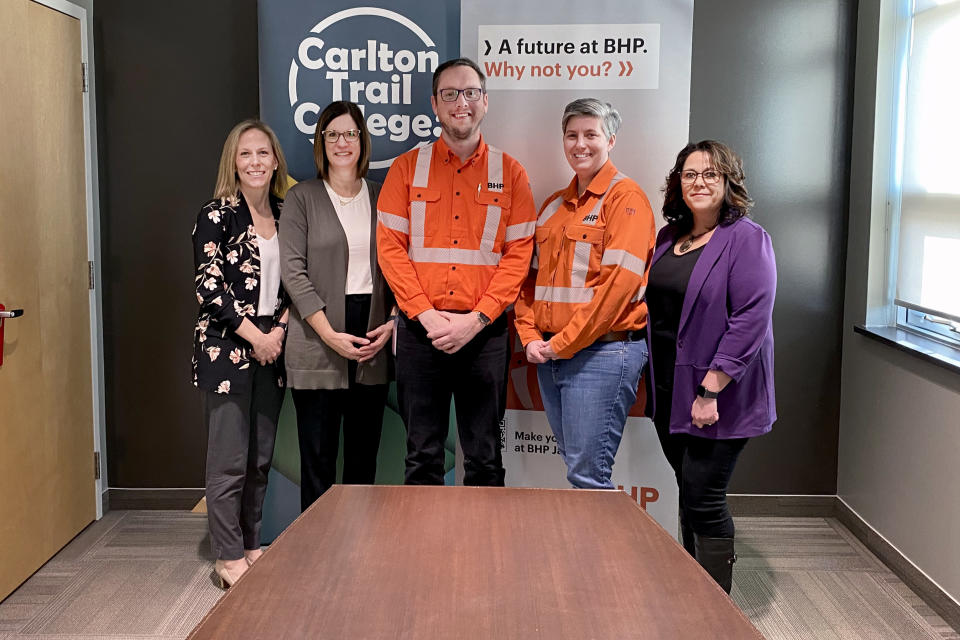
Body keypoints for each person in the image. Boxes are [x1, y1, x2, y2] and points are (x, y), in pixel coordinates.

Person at [376, 57, 537, 486]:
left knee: (485, 457)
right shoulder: (406, 169)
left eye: (469, 93)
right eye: (449, 94)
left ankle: (481, 554)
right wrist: (424, 315)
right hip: (419, 331)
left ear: (485, 102)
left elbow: (518, 256)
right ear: (434, 103)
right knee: (422, 456)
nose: (460, 103)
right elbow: (390, 250)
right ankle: (424, 553)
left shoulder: (512, 173)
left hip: (484, 334)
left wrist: (478, 318)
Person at [646, 140, 777, 593]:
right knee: (688, 492)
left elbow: (751, 318)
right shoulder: (670, 238)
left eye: (710, 174)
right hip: (668, 390)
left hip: (716, 396)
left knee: (704, 497)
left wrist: (711, 389)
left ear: (727, 183)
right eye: (689, 174)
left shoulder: (747, 239)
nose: (699, 182)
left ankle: (715, 609)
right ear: (677, 183)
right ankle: (692, 592)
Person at [513, 98, 656, 489]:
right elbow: (527, 283)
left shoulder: (626, 199)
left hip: (603, 354)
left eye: (591, 134)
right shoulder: (552, 207)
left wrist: (561, 343)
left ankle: (603, 554)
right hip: (551, 356)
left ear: (610, 139)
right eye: (572, 135)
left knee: (588, 476)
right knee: (580, 472)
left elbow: (617, 290)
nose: (580, 144)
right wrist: (529, 338)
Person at [280, 101, 394, 512]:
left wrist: (394, 320)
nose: (342, 142)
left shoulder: (384, 197)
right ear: (320, 143)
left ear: (363, 141)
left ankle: (359, 556)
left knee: (364, 460)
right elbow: (292, 272)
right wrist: (328, 333)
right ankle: (316, 556)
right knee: (318, 461)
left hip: (372, 337)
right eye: (332, 135)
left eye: (350, 134)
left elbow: (404, 265)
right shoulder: (302, 198)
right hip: (317, 335)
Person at [191, 119, 290, 588]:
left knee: (261, 456)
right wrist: (257, 336)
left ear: (275, 161)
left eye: (263, 154)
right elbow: (209, 288)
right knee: (229, 458)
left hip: (273, 348)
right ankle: (227, 555)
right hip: (228, 348)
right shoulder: (216, 214)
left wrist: (280, 331)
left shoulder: (286, 212)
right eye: (246, 154)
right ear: (234, 161)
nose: (255, 162)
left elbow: (296, 278)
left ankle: (252, 543)